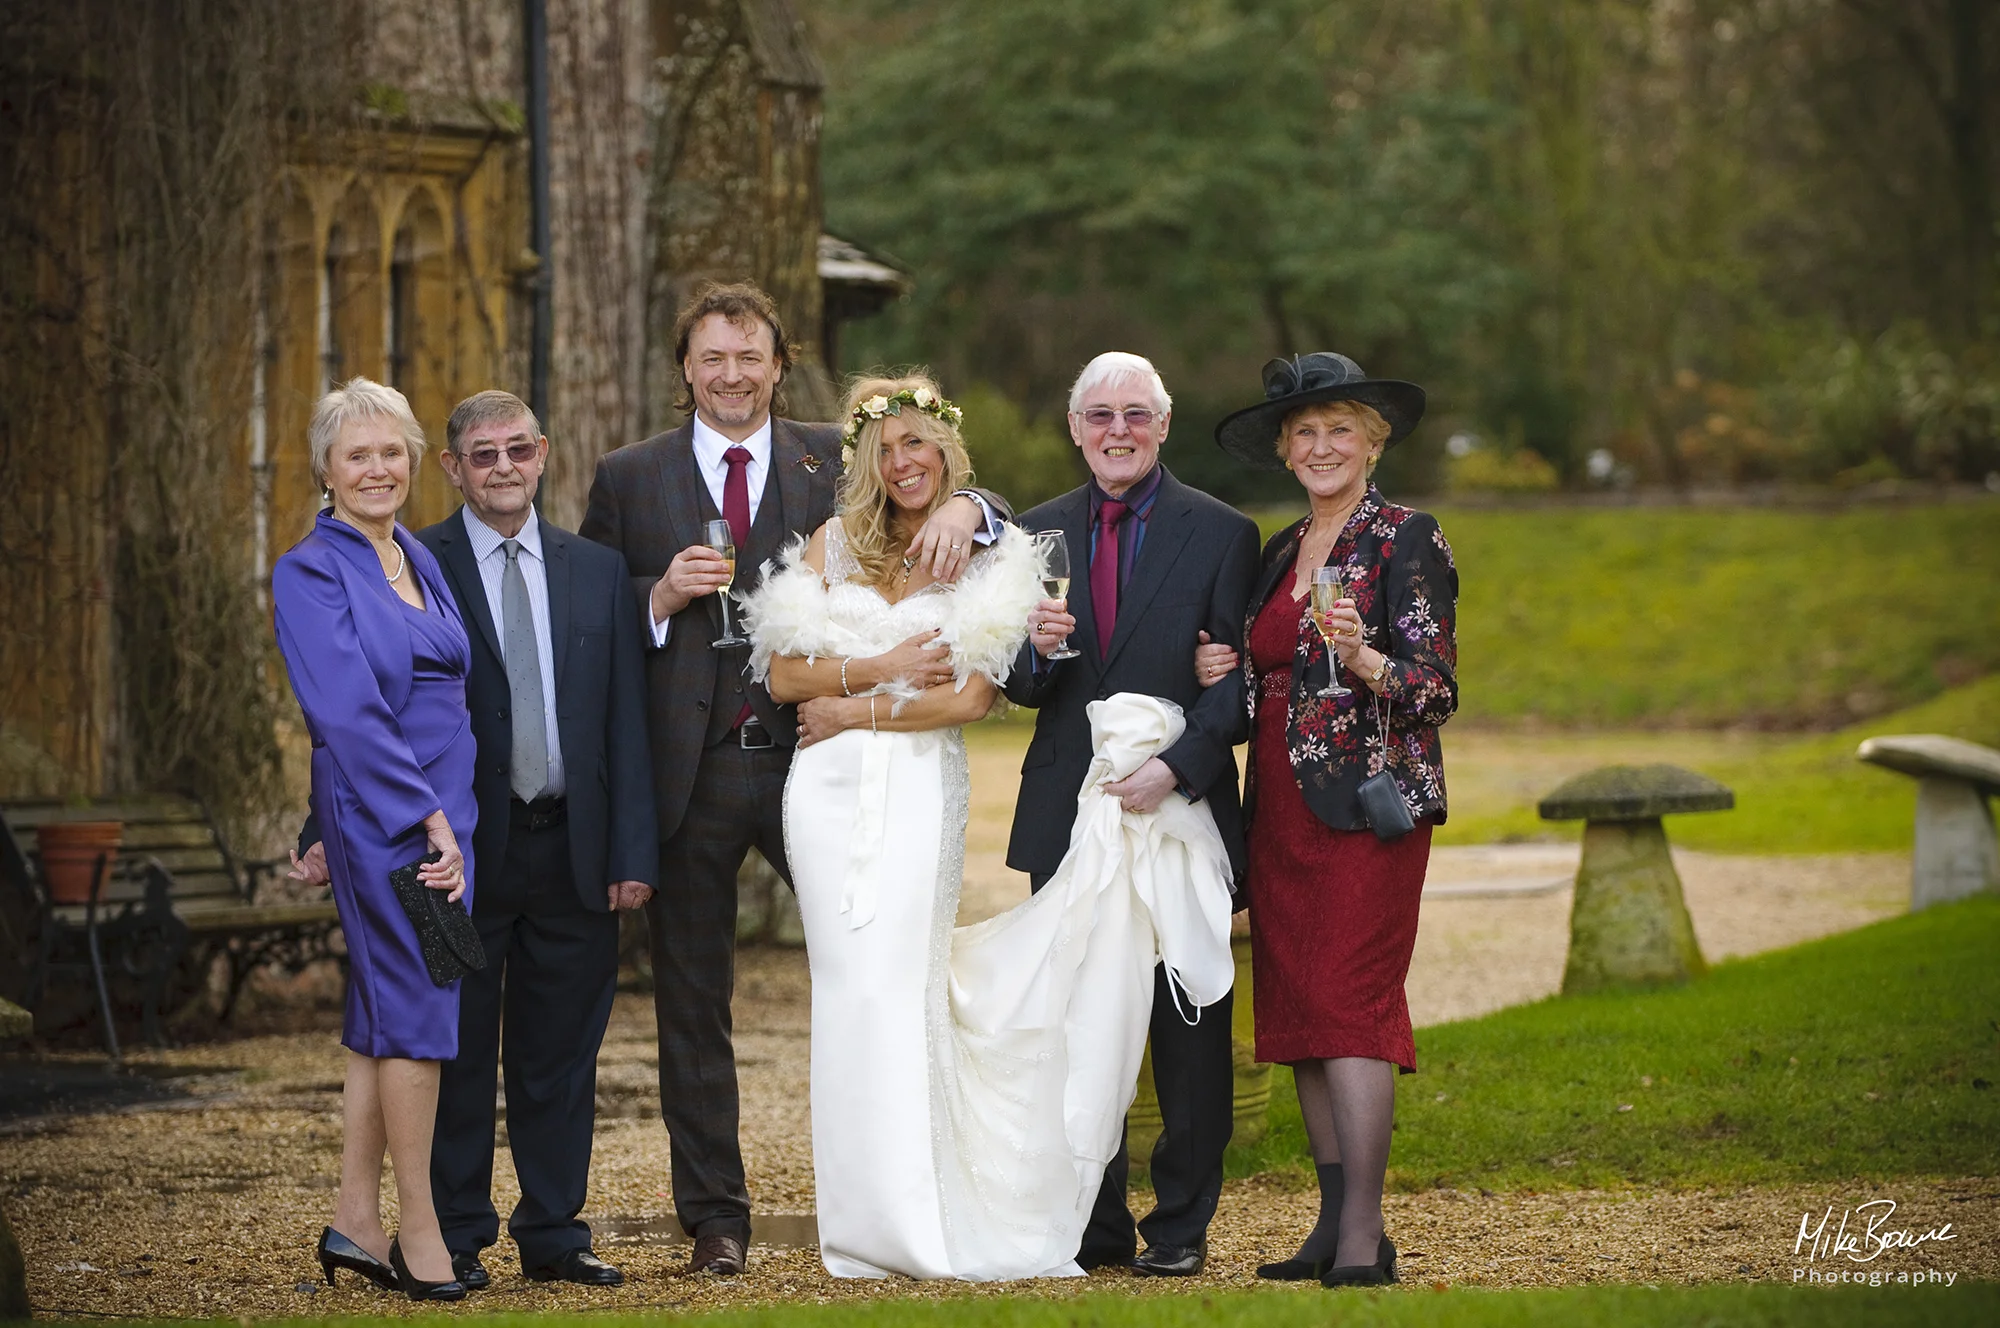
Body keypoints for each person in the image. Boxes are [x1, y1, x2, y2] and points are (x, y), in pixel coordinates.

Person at [740, 374, 1237, 1281]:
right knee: (848, 995)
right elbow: (779, 678)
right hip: (825, 796)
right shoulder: (829, 545)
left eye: (919, 445)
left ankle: (946, 1212)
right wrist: (879, 669)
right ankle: (860, 1225)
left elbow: (972, 694)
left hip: (923, 784)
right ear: (865, 461)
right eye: (886, 449)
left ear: (947, 455)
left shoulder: (989, 546)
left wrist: (853, 706)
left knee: (907, 987)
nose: (903, 463)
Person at [578, 282, 1009, 1276]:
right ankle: (716, 1220)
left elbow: (929, 475)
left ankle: (892, 1190)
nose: (731, 375)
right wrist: (655, 596)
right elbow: (590, 624)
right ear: (683, 367)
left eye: (750, 358)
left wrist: (967, 502)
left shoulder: (839, 453)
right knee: (693, 1001)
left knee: (872, 971)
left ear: (779, 364)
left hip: (822, 757)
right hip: (687, 772)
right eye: (712, 358)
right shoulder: (627, 476)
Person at [298, 390, 660, 1288]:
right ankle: (453, 1229)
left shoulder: (590, 568)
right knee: (444, 1042)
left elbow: (621, 721)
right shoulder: (415, 558)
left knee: (559, 1056)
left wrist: (631, 854)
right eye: (481, 454)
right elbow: (353, 702)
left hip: (568, 844)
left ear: (542, 454)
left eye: (518, 451)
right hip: (455, 847)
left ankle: (554, 1232)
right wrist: (326, 825)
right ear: (454, 468)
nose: (503, 468)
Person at [1198, 352, 1459, 1289]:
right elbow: (1267, 670)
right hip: (1280, 814)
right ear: (1283, 448)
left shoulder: (1406, 538)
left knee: (1351, 1010)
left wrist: (1368, 661)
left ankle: (1365, 1234)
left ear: (1373, 442)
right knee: (1301, 1014)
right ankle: (1331, 1220)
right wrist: (1218, 675)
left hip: (1368, 813)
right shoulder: (1279, 551)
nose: (1320, 446)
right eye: (1303, 433)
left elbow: (1436, 690)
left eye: (1339, 429)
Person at [1003, 352, 1260, 1277]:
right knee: (1079, 1023)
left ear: (1164, 424)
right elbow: (1023, 688)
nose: (1119, 431)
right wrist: (1034, 656)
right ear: (1076, 428)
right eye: (1101, 415)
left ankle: (1182, 1226)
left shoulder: (1225, 532)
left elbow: (1241, 688)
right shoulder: (1034, 533)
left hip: (1177, 813)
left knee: (1187, 1024)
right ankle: (1094, 1221)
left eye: (1136, 415)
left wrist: (1179, 767)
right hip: (1069, 815)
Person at [272, 378, 476, 1302]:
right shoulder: (312, 570)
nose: (378, 468)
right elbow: (345, 711)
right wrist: (423, 815)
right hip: (395, 816)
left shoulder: (416, 559)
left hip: (446, 807)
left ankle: (354, 1220)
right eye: (358, 454)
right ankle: (419, 1232)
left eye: (392, 450)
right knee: (420, 1017)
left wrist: (449, 809)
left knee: (381, 1020)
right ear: (325, 470)